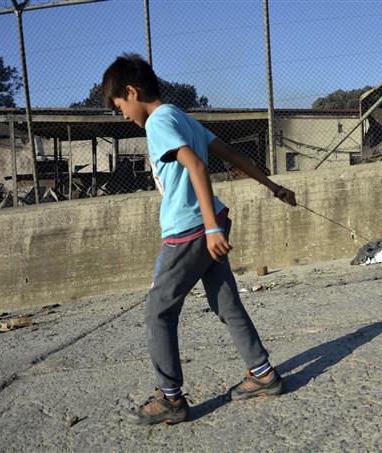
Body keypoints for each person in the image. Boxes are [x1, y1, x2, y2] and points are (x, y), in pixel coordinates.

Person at [101, 53, 296, 425]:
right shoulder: (180, 116)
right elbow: (230, 155)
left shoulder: (158, 122)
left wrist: (209, 229)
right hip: (210, 222)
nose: (122, 115)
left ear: (132, 91)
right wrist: (274, 187)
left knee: (158, 311)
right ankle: (263, 373)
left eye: (119, 106)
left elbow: (196, 164)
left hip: (189, 230)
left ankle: (170, 398)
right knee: (226, 302)